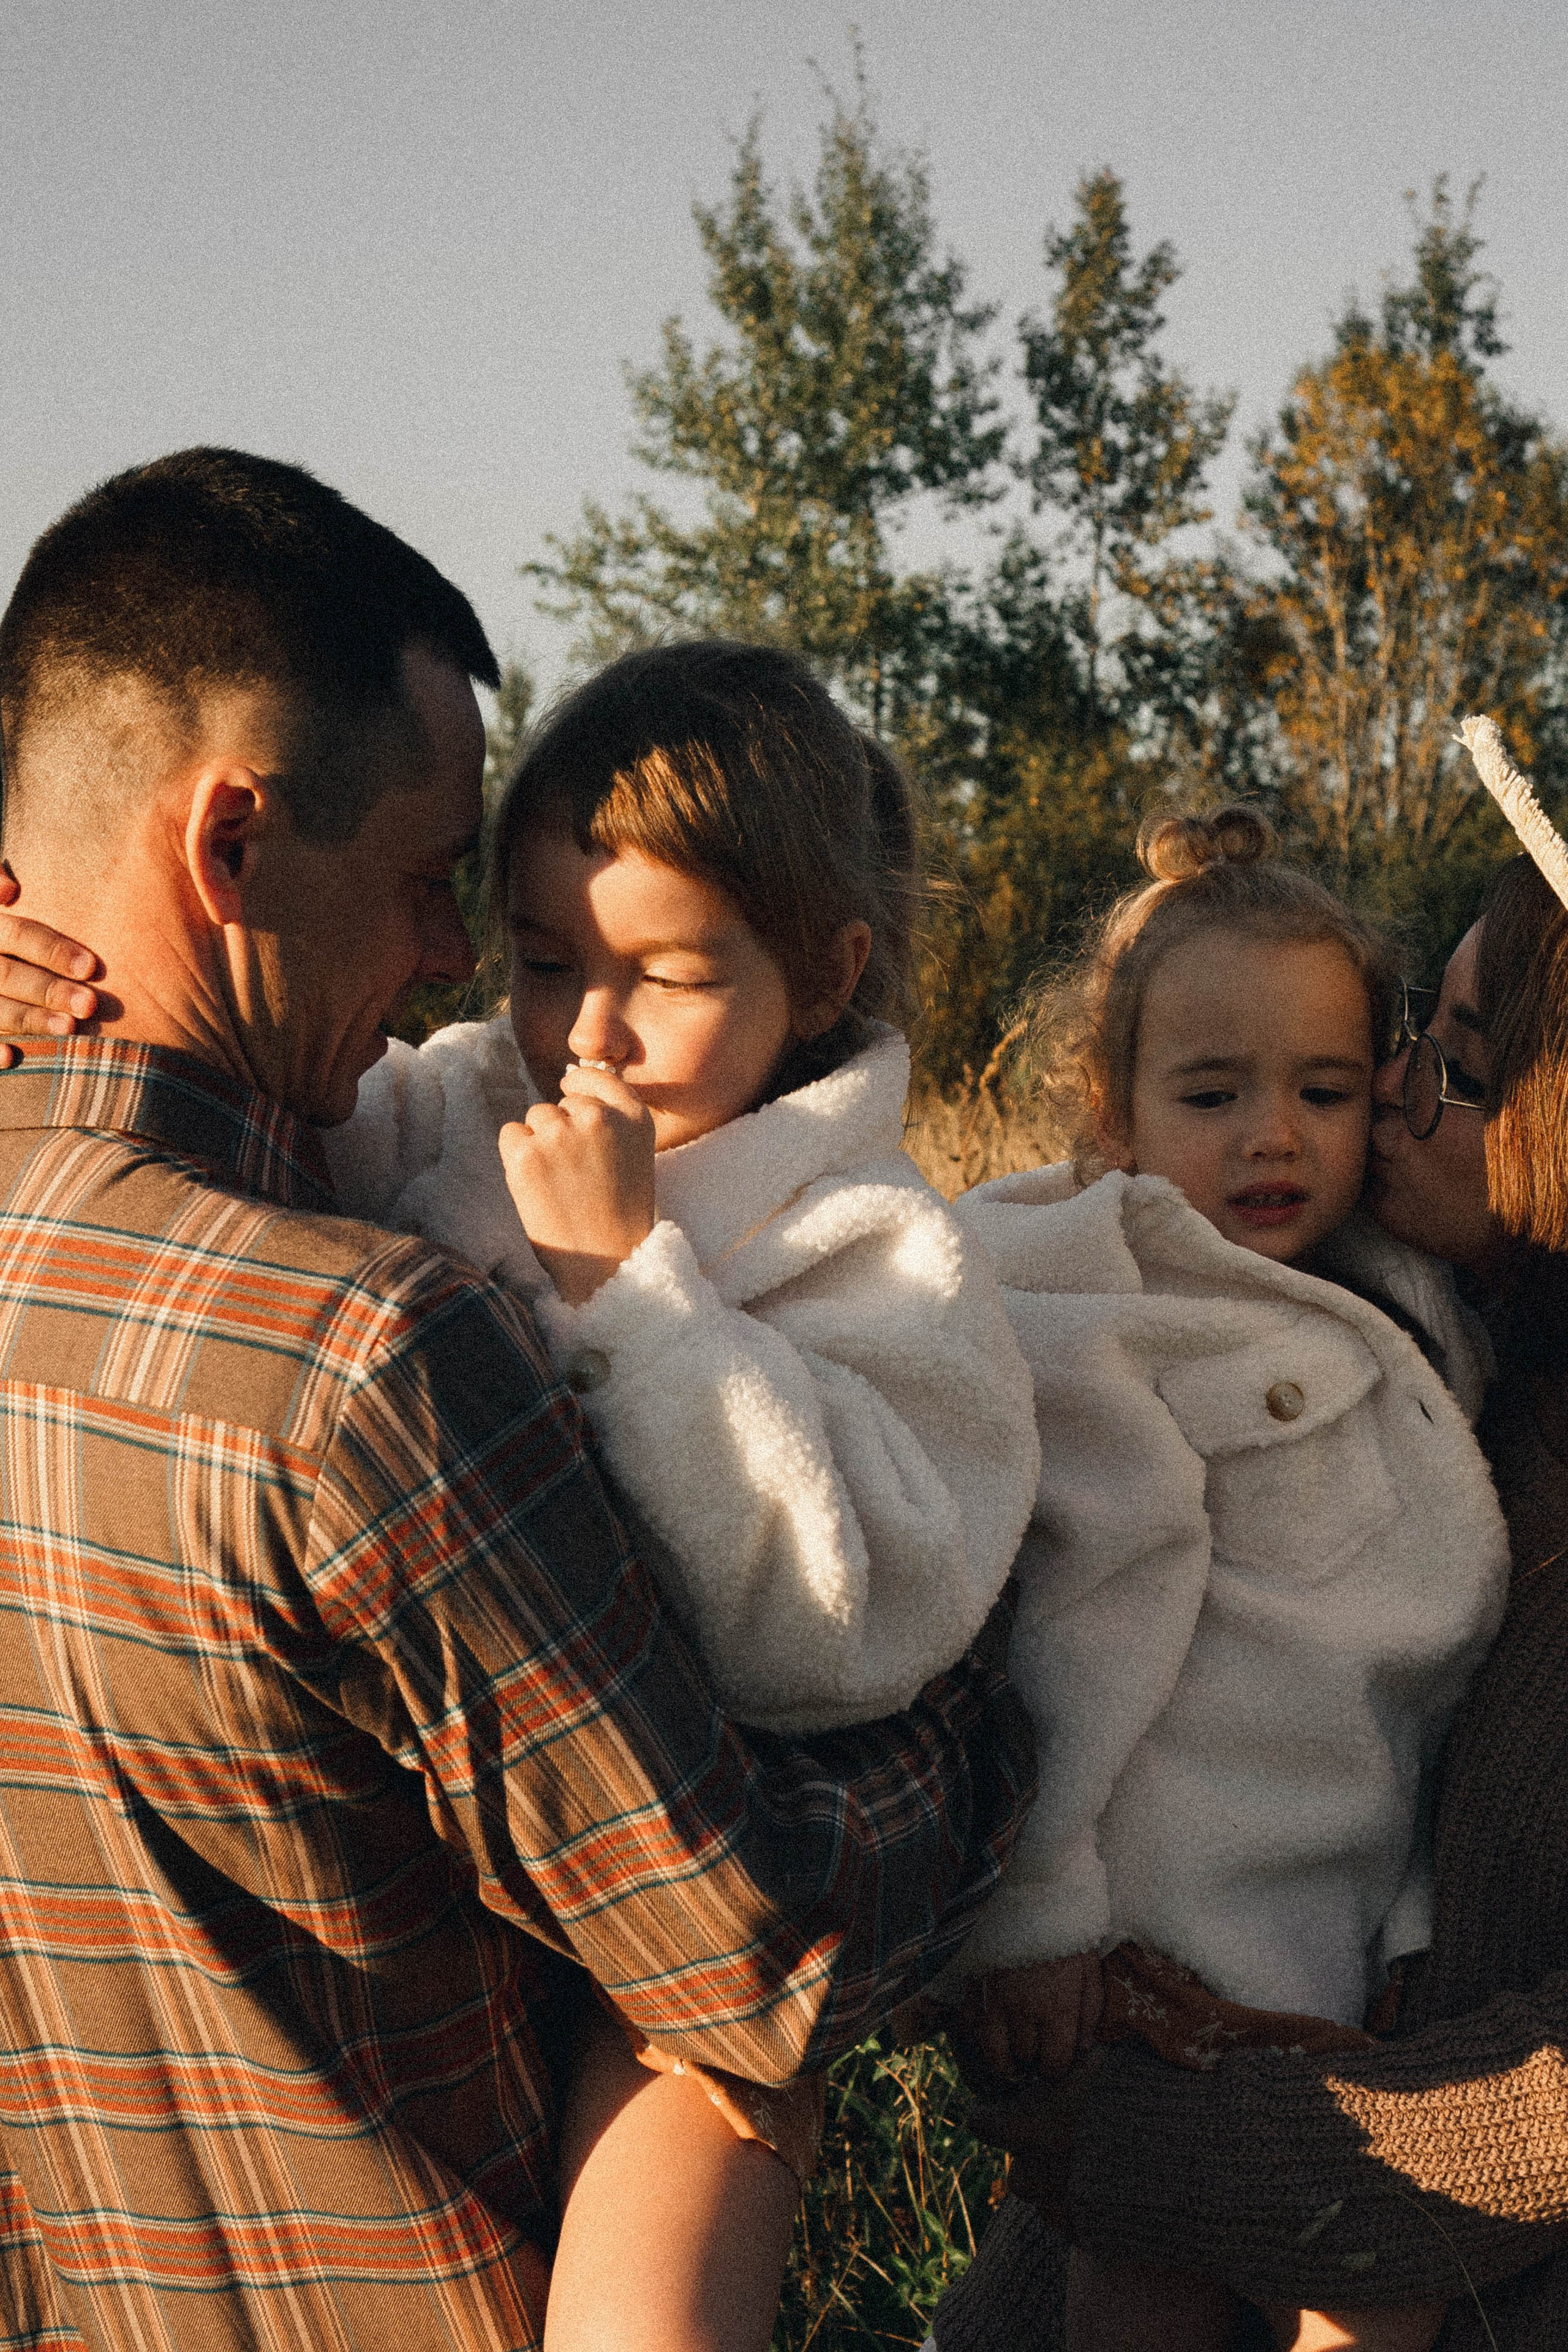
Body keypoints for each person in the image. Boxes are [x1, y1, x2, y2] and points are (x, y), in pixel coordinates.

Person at [0, 449, 1034, 2352]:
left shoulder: (169, 1228)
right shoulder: (356, 1356)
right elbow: (745, 1949)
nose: (453, 971)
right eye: (431, 891)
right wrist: (978, 1739)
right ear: (229, 849)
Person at [318, 635, 1042, 2351]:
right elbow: (263, 1125)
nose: (596, 1032)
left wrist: (630, 1297)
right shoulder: (452, 1108)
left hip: (683, 1930)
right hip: (432, 1835)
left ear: (828, 969)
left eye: (672, 972)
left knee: (645, 2314)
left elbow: (839, 1630)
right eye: (547, 959)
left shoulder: (881, 1253)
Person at [929, 845, 1568, 2352]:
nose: (1388, 1094)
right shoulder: (1418, 1321)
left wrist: (1175, 2150)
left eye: (1452, 1068)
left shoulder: (1418, 1343)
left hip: (1391, 2159)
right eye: (1414, 1029)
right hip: (1206, 2000)